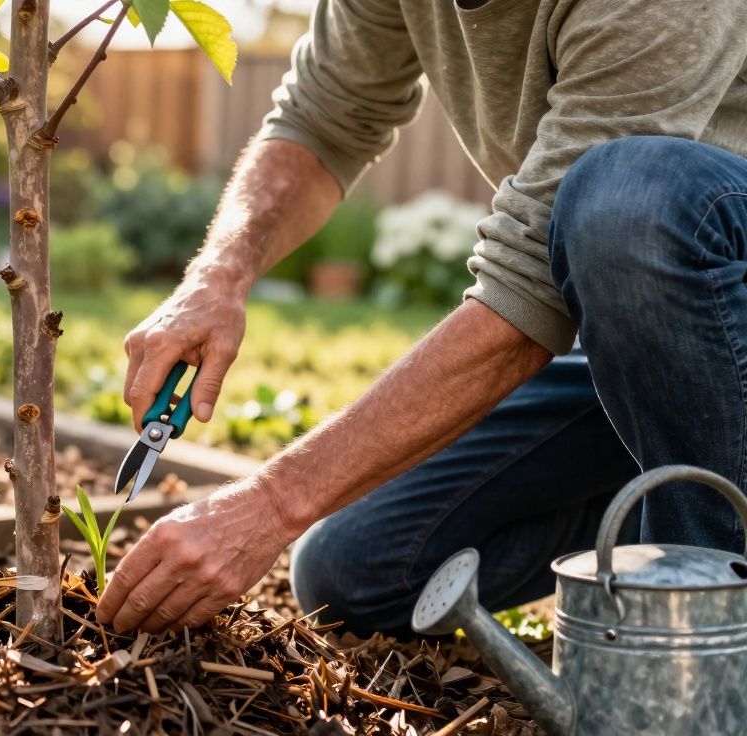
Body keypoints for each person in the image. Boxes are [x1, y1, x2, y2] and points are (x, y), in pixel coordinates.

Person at [94, 0, 747, 636]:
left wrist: (271, 503)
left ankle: (703, 630)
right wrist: (216, 278)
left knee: (630, 197)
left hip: (724, 301)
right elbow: (324, 120)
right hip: (665, 359)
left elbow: (527, 289)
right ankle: (682, 496)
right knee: (359, 569)